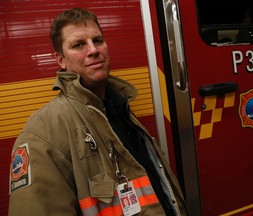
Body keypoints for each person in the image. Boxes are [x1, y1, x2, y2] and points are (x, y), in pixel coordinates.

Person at [8, 8, 188, 216]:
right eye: (79, 45)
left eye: (98, 40)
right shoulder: (42, 134)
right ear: (60, 60)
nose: (93, 50)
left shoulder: (119, 108)